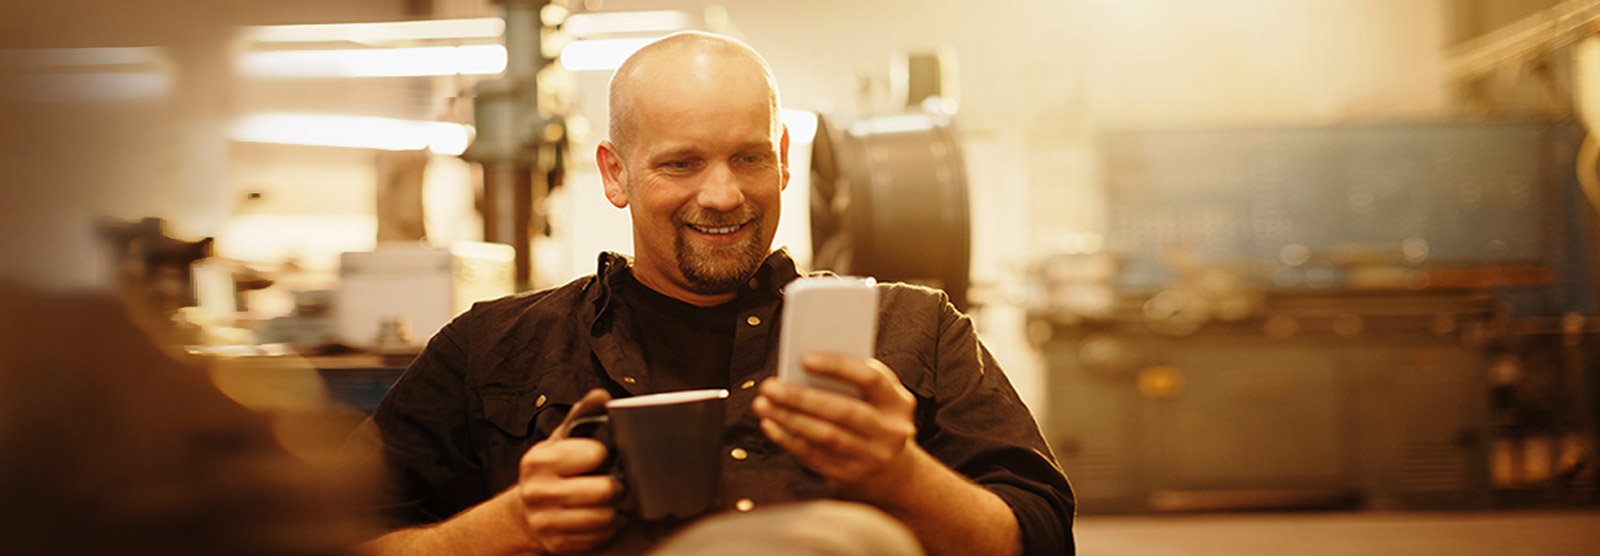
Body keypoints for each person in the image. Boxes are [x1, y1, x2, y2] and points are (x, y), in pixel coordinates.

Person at [356, 31, 1074, 556]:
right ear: (615, 174)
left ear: (785, 160)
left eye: (750, 157)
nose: (724, 195)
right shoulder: (491, 351)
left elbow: (1041, 538)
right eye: (682, 163)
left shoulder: (917, 332)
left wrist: (904, 476)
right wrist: (508, 526)